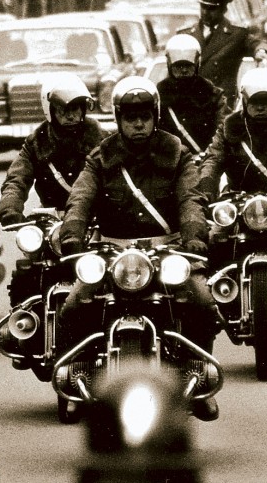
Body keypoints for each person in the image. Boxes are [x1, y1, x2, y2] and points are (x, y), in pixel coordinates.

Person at [58, 76, 220, 420]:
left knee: (203, 303)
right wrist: (72, 236)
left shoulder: (177, 153)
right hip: (111, 252)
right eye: (130, 117)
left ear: (155, 116)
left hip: (167, 249)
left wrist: (194, 235)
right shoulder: (100, 157)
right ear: (118, 118)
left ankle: (198, 376)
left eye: (144, 116)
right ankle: (77, 377)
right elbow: (80, 199)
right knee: (72, 306)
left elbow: (191, 199)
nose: (137, 124)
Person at [0, 73, 104, 306]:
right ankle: (28, 318)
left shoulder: (102, 140)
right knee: (30, 272)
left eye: (76, 108)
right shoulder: (36, 142)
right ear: (50, 111)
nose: (71, 115)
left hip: (96, 220)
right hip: (53, 221)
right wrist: (10, 207)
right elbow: (17, 178)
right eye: (63, 110)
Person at [198, 69, 267, 200]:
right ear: (245, 101)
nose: (260, 108)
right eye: (254, 102)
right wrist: (206, 190)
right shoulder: (229, 127)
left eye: (266, 101)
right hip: (238, 200)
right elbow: (213, 160)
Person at [175, 0, 267, 104]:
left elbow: (257, 43)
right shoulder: (186, 34)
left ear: (223, 10)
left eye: (211, 8)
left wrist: (260, 53)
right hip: (191, 103)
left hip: (222, 104)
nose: (205, 12)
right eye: (203, 7)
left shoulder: (236, 34)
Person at [156, 34, 229, 159]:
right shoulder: (158, 96)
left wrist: (210, 155)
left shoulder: (212, 94)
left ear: (197, 64)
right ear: (169, 65)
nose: (184, 70)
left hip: (207, 159)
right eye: (178, 66)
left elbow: (222, 128)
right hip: (171, 160)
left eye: (188, 66)